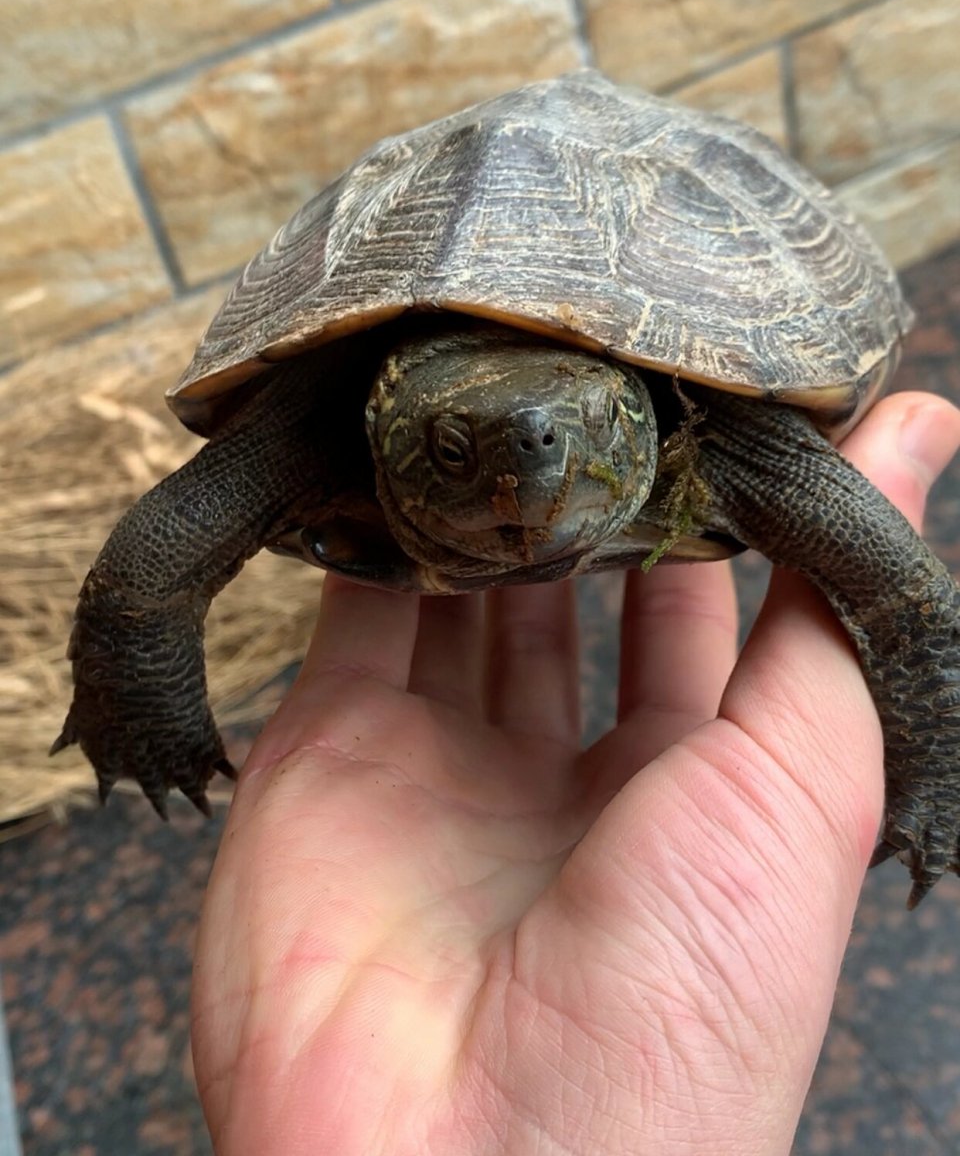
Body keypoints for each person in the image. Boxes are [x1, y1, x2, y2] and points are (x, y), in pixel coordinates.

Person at [191, 391, 960, 1156]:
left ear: (640, 421)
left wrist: (937, 749)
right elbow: (151, 565)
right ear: (388, 434)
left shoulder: (718, 427)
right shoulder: (311, 428)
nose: (536, 455)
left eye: (596, 428)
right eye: (454, 452)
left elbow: (908, 593)